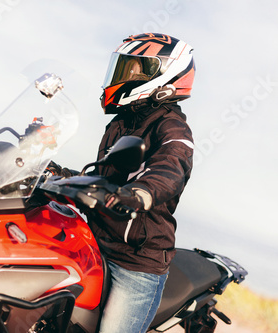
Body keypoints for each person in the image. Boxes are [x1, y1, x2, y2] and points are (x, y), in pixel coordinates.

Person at [48, 32, 196, 333]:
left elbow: (171, 168)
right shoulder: (121, 123)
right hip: (95, 239)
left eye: (132, 69)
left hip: (135, 261)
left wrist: (139, 193)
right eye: (122, 68)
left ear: (163, 75)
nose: (121, 76)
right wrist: (60, 175)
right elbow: (104, 178)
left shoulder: (172, 127)